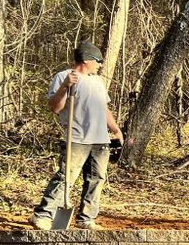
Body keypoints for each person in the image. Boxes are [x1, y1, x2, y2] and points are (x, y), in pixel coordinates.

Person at [31, 41, 123, 230]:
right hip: (77, 138)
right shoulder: (63, 77)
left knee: (96, 179)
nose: (99, 65)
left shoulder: (97, 81)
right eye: (97, 61)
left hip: (100, 141)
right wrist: (65, 87)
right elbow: (55, 107)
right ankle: (43, 214)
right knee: (66, 178)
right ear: (87, 60)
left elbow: (104, 108)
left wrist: (115, 129)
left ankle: (86, 218)